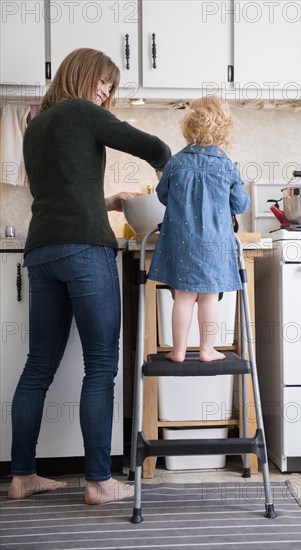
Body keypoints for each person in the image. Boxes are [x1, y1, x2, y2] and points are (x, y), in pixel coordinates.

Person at [8, 48, 171, 504]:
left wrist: (108, 201)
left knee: (37, 366)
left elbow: (58, 194)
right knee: (100, 363)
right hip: (84, 250)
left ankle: (22, 475)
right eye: (103, 82)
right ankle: (100, 481)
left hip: (42, 251)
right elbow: (153, 146)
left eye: (111, 88)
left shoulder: (35, 125)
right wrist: (168, 177)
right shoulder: (81, 111)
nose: (106, 93)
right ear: (80, 75)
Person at [148, 96, 250, 362]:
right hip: (215, 243)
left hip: (182, 242)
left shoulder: (175, 162)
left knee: (182, 296)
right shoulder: (227, 166)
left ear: (189, 126)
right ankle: (207, 349)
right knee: (209, 297)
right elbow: (240, 204)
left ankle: (178, 351)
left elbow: (162, 195)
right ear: (224, 128)